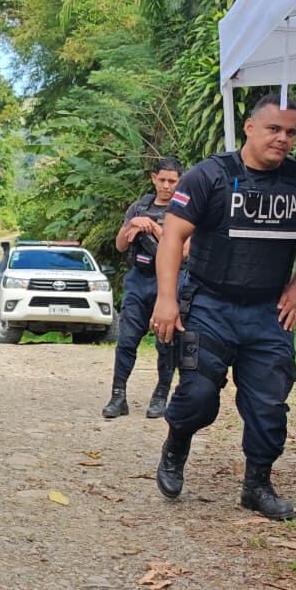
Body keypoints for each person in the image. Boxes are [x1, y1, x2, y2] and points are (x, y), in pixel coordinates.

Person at [151, 93, 296, 521]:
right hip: (210, 303)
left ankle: (257, 485)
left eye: (291, 132)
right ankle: (177, 444)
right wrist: (166, 298)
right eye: (274, 129)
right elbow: (173, 237)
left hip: (268, 311)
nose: (283, 139)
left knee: (269, 405)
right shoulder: (209, 176)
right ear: (250, 128)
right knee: (197, 397)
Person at [102, 158, 183, 419]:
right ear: (153, 178)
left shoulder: (184, 210)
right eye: (162, 180)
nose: (167, 186)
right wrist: (132, 225)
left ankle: (160, 396)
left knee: (166, 342)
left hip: (168, 281)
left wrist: (156, 229)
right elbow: (120, 246)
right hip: (138, 278)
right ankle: (118, 396)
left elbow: (185, 253)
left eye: (172, 181)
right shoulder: (139, 207)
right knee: (126, 339)